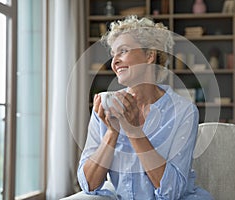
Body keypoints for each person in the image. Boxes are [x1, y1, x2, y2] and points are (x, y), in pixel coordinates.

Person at [77, 15, 213, 200]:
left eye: (123, 51)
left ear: (150, 55)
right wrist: (112, 133)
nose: (114, 62)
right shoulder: (107, 108)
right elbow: (88, 184)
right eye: (113, 55)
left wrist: (134, 131)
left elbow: (171, 192)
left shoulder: (183, 111)